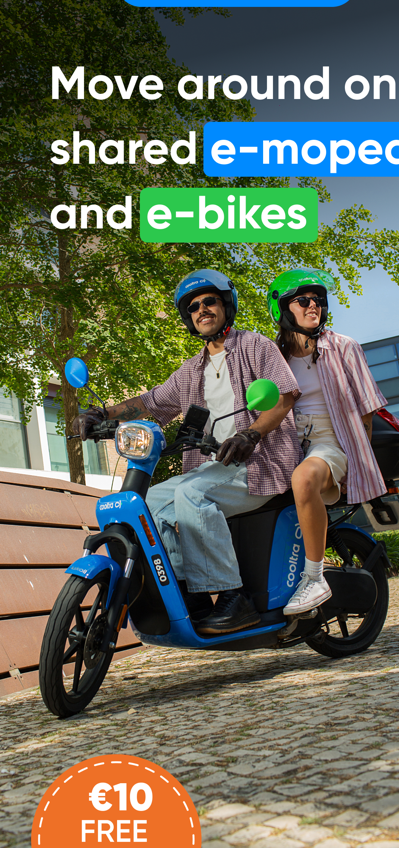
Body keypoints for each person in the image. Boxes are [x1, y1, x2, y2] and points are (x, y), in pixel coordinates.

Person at [74, 269, 302, 636]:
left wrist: (251, 434)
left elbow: (284, 397)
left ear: (226, 306)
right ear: (188, 318)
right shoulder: (191, 371)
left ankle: (235, 599)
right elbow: (150, 402)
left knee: (191, 494)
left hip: (261, 462)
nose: (202, 310)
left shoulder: (256, 346)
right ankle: (191, 599)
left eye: (210, 301)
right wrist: (102, 414)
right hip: (214, 467)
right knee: (146, 506)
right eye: (193, 307)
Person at [267, 267, 387, 617]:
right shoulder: (273, 357)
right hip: (288, 445)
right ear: (283, 309)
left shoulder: (344, 347)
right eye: (303, 300)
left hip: (330, 441)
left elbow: (366, 413)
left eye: (318, 299)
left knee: (304, 478)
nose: (313, 305)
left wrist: (357, 466)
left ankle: (315, 578)